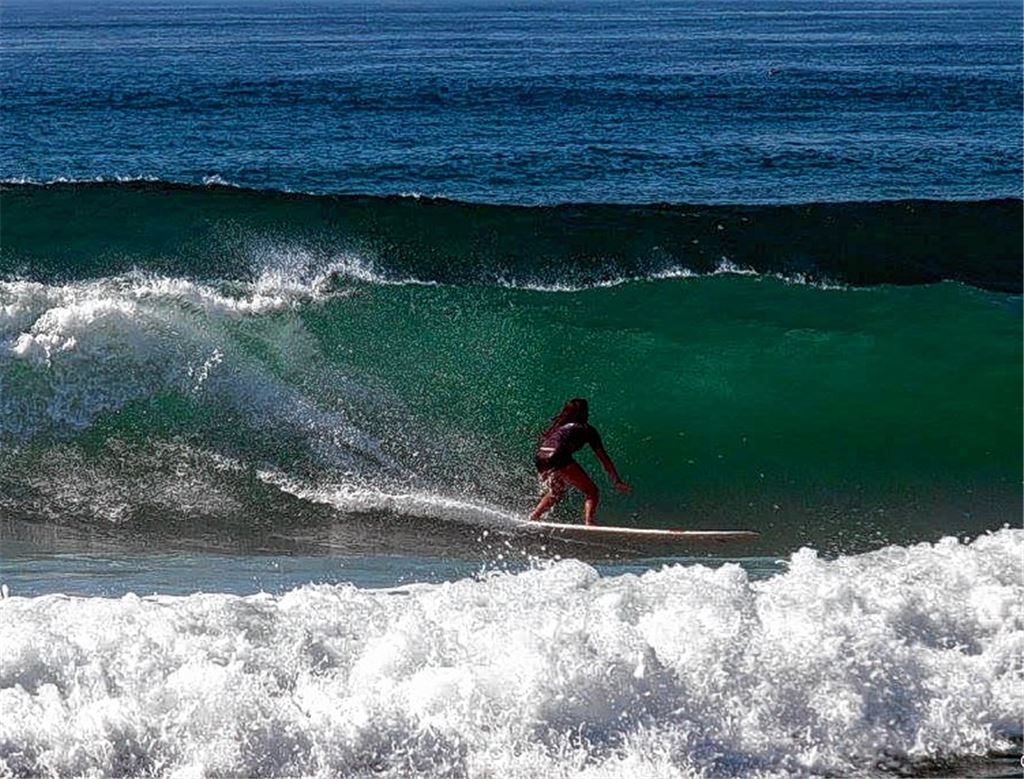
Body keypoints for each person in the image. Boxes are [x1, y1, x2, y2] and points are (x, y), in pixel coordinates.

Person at [529, 398, 632, 525]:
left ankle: (535, 516)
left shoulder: (558, 428)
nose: (588, 414)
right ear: (583, 413)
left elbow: (547, 450)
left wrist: (546, 469)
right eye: (587, 411)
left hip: (540, 457)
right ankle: (589, 523)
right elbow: (604, 458)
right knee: (592, 491)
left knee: (557, 491)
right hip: (558, 457)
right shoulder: (587, 430)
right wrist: (616, 480)